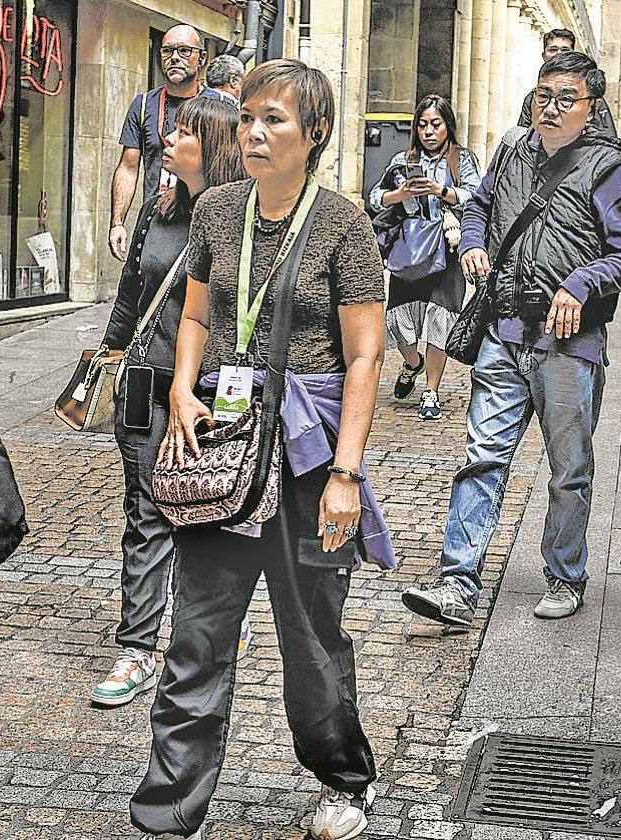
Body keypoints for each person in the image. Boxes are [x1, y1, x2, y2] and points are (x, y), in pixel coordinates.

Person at [130, 59, 394, 840]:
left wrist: (346, 473)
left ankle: (346, 779)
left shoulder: (344, 223)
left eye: (274, 119)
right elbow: (197, 315)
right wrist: (183, 386)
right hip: (223, 444)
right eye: (248, 117)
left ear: (314, 133)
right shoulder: (216, 209)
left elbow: (367, 356)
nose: (253, 131)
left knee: (311, 638)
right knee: (197, 634)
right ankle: (169, 811)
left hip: (310, 457)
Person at [402, 51, 621, 627]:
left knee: (569, 467)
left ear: (591, 108)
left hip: (569, 343)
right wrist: (471, 243)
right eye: (543, 96)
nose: (551, 108)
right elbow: (481, 205)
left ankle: (565, 576)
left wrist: (583, 283)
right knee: (482, 457)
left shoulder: (610, 169)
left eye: (566, 99)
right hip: (503, 329)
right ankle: (457, 582)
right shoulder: (513, 151)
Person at [91, 96, 247, 708]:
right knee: (145, 510)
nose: (171, 140)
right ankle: (136, 646)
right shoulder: (161, 211)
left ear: (212, 146)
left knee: (205, 510)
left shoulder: (236, 221)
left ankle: (198, 636)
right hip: (144, 382)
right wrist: (110, 349)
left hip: (206, 392)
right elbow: (132, 291)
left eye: (184, 133)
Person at [368, 94, 481, 420]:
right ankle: (412, 363)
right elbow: (375, 197)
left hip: (446, 251)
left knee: (439, 320)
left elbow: (477, 195)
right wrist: (399, 194)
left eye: (436, 124)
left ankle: (431, 391)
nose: (429, 131)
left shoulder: (462, 160)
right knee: (398, 321)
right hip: (409, 250)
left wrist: (441, 191)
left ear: (448, 126)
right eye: (423, 124)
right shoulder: (402, 161)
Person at [109, 24, 222, 261]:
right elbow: (128, 167)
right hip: (156, 222)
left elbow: (231, 167)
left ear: (202, 57)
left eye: (184, 51)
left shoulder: (220, 108)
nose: (174, 58)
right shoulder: (142, 106)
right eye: (167, 51)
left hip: (205, 223)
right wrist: (117, 222)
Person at [518, 29, 617, 138]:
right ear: (544, 55)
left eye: (566, 99)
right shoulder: (532, 98)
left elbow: (606, 136)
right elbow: (523, 136)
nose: (558, 54)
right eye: (553, 50)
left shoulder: (589, 97)